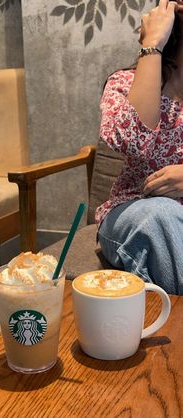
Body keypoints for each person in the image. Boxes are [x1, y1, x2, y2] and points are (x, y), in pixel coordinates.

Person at [97, 0, 183, 295]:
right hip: (138, 212)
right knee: (161, 216)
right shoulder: (124, 83)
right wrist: (152, 46)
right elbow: (134, 142)